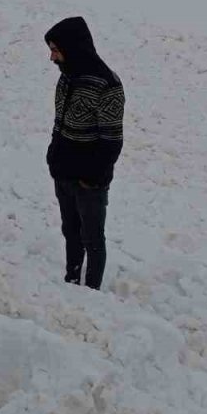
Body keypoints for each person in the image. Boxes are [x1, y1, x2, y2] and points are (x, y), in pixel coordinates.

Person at [45, 16, 125, 290]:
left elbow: (111, 142)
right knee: (70, 233)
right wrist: (53, 157)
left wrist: (92, 178)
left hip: (89, 182)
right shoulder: (66, 79)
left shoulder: (107, 85)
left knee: (93, 239)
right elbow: (59, 123)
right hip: (64, 173)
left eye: (56, 50)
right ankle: (71, 282)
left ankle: (91, 293)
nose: (52, 57)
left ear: (73, 47)